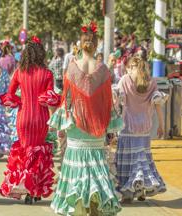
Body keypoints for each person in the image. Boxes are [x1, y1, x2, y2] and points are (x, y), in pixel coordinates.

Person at [50, 21, 121, 216]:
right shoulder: (104, 70)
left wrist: (61, 127)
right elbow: (108, 103)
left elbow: (67, 101)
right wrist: (110, 129)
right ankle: (96, 209)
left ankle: (78, 208)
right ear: (96, 45)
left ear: (81, 44)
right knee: (97, 172)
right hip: (96, 127)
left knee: (77, 173)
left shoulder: (72, 69)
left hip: (76, 126)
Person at [0, 36, 61, 203]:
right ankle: (34, 190)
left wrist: (19, 101)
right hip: (41, 118)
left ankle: (24, 187)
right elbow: (50, 99)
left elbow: (9, 95)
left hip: (24, 117)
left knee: (25, 152)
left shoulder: (19, 72)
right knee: (38, 153)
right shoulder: (47, 73)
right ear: (41, 55)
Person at [116, 57, 167, 203]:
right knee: (142, 158)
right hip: (145, 127)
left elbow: (116, 103)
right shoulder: (151, 82)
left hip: (127, 127)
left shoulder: (125, 80)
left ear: (131, 67)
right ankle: (141, 189)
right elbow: (157, 105)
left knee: (128, 160)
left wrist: (111, 124)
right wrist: (161, 126)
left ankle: (128, 192)